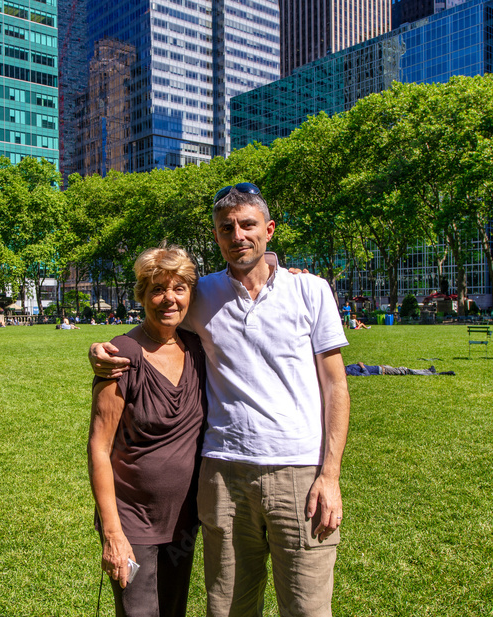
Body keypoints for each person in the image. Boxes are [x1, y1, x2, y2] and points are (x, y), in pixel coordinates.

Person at [91, 183, 350, 617]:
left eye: (248, 225)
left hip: (299, 474)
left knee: (307, 609)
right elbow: (157, 313)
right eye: (226, 228)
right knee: (227, 609)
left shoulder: (312, 291)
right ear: (216, 236)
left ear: (269, 230)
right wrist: (101, 350)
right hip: (223, 477)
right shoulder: (203, 294)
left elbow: (335, 387)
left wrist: (331, 475)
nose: (238, 235)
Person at [88, 244, 206, 617]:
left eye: (178, 288)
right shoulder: (123, 355)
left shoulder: (198, 350)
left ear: (190, 294)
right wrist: (112, 533)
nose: (168, 299)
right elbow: (98, 448)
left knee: (174, 611)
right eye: (157, 289)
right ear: (141, 295)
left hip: (184, 523)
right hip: (133, 525)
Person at [345, 362, 454, 376]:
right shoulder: (349, 371)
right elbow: (366, 374)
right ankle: (438, 373)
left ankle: (428, 370)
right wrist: (362, 366)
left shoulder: (346, 367)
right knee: (406, 371)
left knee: (406, 369)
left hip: (381, 367)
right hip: (382, 371)